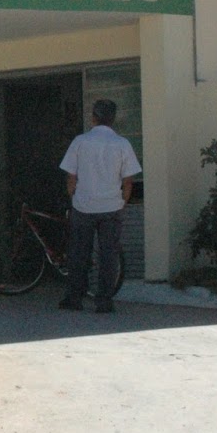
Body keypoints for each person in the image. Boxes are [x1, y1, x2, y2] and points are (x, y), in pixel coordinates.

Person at [58, 98, 142, 313]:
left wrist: (73, 196)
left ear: (93, 117)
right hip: (111, 207)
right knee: (108, 255)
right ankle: (104, 301)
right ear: (113, 119)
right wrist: (122, 202)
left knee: (79, 254)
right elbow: (128, 181)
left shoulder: (80, 142)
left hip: (83, 206)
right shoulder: (122, 144)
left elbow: (71, 176)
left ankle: (75, 298)